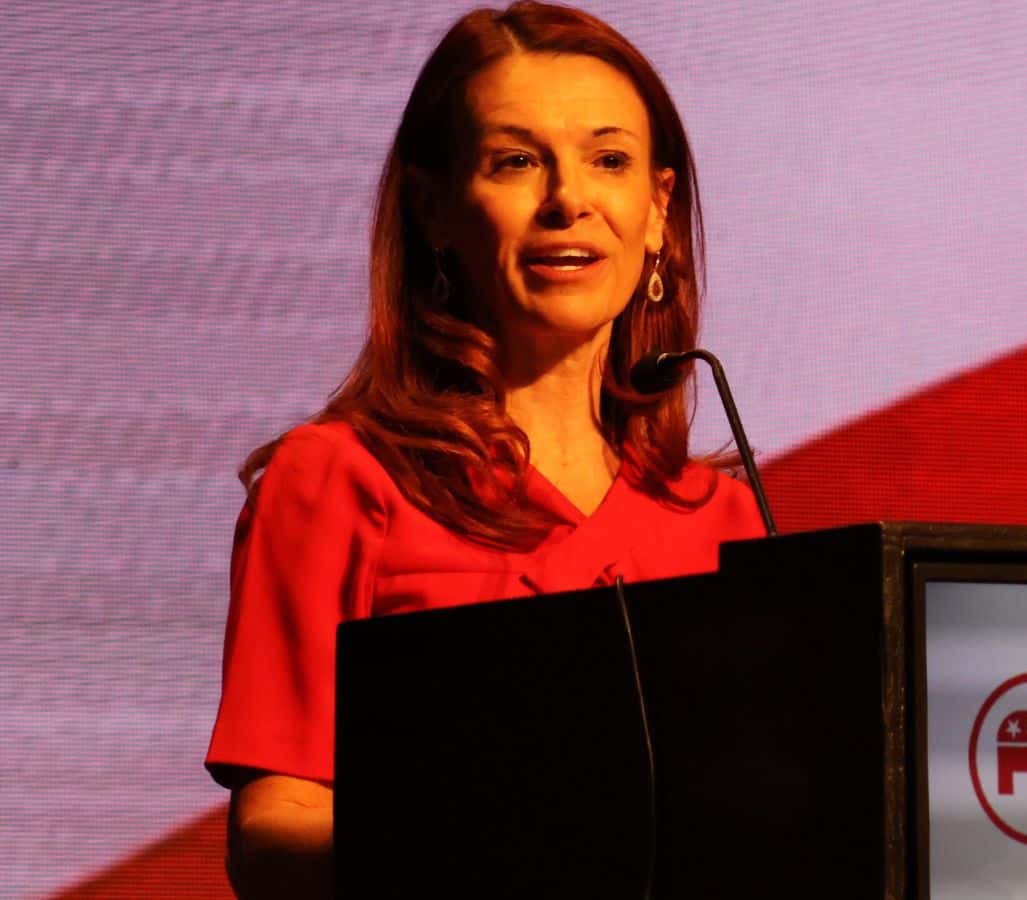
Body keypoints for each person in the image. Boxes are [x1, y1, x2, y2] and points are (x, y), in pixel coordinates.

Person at [203, 4, 766, 896]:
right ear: (435, 211)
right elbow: (275, 835)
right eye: (516, 161)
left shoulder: (722, 518)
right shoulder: (340, 479)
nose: (568, 199)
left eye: (608, 161)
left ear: (657, 210)